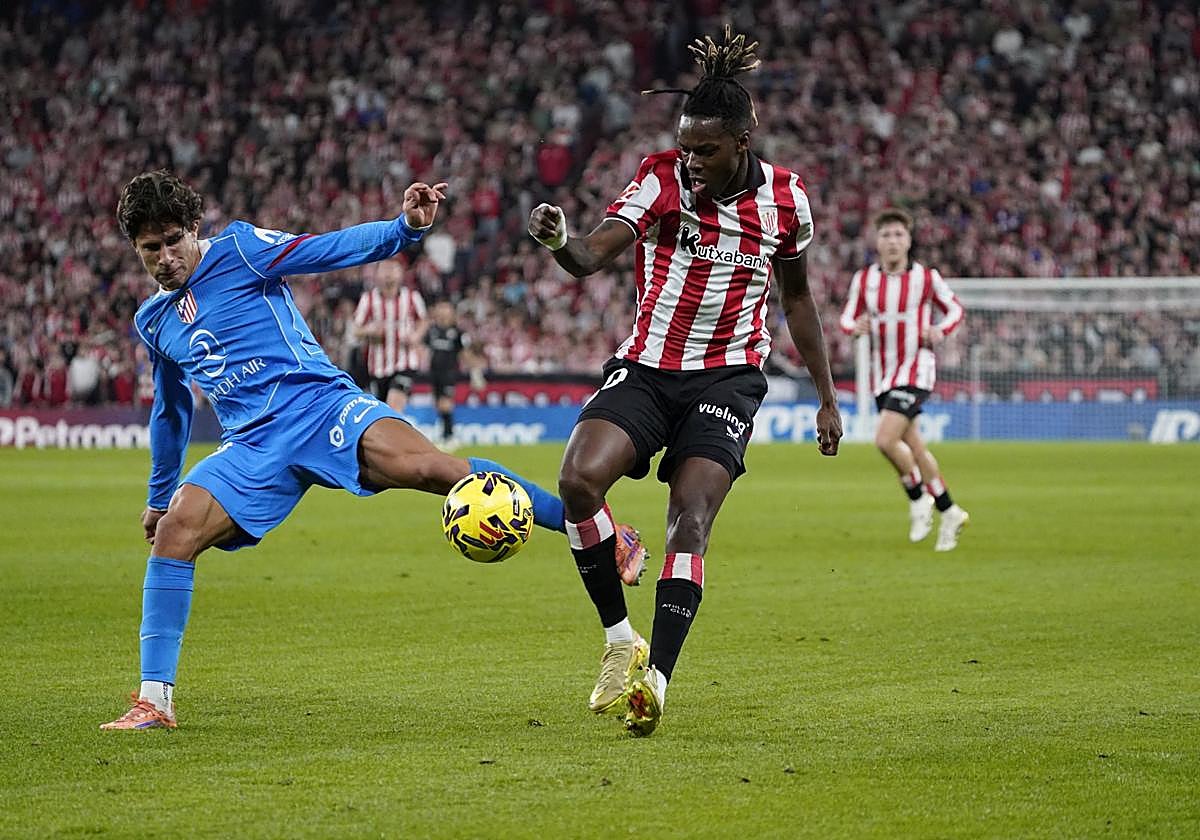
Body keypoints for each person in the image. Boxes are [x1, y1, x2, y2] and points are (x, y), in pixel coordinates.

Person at [101, 170, 647, 731]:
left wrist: (402, 229)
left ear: (194, 228)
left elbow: (323, 250)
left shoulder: (239, 249)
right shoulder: (154, 321)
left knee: (437, 470)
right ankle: (154, 700)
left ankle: (607, 531)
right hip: (252, 446)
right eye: (151, 249)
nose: (166, 256)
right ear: (135, 250)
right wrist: (158, 496)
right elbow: (171, 412)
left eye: (173, 241)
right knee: (175, 532)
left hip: (321, 408)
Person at [527, 27, 842, 737]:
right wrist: (557, 241)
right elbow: (592, 254)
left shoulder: (787, 201)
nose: (691, 160)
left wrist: (827, 396)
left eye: (705, 149)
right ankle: (618, 641)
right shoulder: (660, 177)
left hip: (727, 379)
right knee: (578, 481)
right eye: (685, 146)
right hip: (646, 367)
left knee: (688, 522)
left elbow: (797, 299)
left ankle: (657, 680)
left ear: (742, 140)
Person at [840, 208, 969, 551]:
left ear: (909, 240)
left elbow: (955, 309)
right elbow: (846, 320)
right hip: (883, 375)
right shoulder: (864, 279)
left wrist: (939, 331)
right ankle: (949, 509)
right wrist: (857, 328)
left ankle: (917, 497)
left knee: (884, 440)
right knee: (914, 445)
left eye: (899, 234)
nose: (892, 241)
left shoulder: (927, 278)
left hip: (916, 370)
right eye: (886, 235)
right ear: (877, 242)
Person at [353, 258, 427, 413]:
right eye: (385, 269)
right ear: (377, 274)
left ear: (401, 274)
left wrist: (416, 336)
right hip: (377, 366)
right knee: (383, 412)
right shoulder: (368, 299)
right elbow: (356, 329)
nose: (389, 274)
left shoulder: (412, 297)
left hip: (405, 362)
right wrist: (370, 330)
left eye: (393, 269)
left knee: (394, 406)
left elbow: (423, 321)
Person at [424, 299, 478, 446]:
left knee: (445, 403)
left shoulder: (457, 333)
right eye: (440, 308)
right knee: (438, 403)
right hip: (434, 373)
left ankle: (449, 435)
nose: (442, 311)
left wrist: (475, 373)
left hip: (449, 373)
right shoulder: (431, 331)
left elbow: (465, 353)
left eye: (445, 308)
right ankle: (445, 433)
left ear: (451, 312)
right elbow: (424, 349)